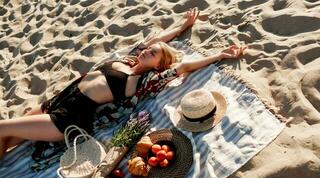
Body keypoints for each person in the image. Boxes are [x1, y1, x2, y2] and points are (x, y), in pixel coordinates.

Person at [0, 8, 245, 160]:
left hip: (65, 118)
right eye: (149, 48)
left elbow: (183, 68)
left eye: (154, 53)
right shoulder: (129, 59)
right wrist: (182, 27)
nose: (148, 50)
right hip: (57, 101)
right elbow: (157, 39)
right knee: (7, 140)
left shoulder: (145, 81)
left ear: (159, 65)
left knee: (3, 128)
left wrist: (220, 55)